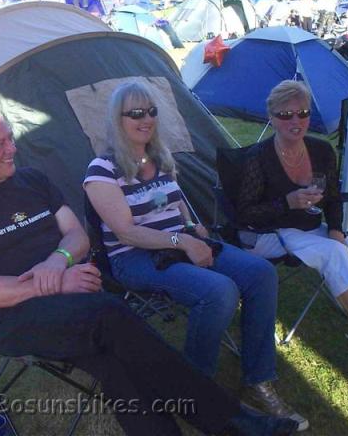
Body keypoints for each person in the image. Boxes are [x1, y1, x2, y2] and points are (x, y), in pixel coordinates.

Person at [0, 105, 299, 436]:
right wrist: (57, 282)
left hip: (72, 299)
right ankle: (233, 420)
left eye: (11, 138)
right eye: (0, 143)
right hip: (12, 315)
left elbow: (77, 235)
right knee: (111, 315)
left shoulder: (33, 181)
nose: (12, 148)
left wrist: (58, 259)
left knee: (114, 363)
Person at [83, 82, 308, 431]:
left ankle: (259, 379)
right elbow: (126, 232)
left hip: (179, 242)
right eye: (136, 113)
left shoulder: (158, 157)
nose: (146, 119)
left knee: (261, 273)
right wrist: (183, 242)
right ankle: (192, 390)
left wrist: (191, 227)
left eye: (151, 111)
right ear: (118, 119)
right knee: (219, 291)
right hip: (135, 257)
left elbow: (175, 204)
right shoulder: (102, 169)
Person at [235, 80, 348, 382]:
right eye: (285, 115)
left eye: (303, 113)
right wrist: (287, 202)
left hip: (310, 228)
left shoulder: (321, 150)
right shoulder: (259, 157)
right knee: (335, 254)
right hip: (271, 233)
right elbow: (245, 213)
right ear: (271, 117)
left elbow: (332, 198)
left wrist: (335, 230)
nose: (295, 121)